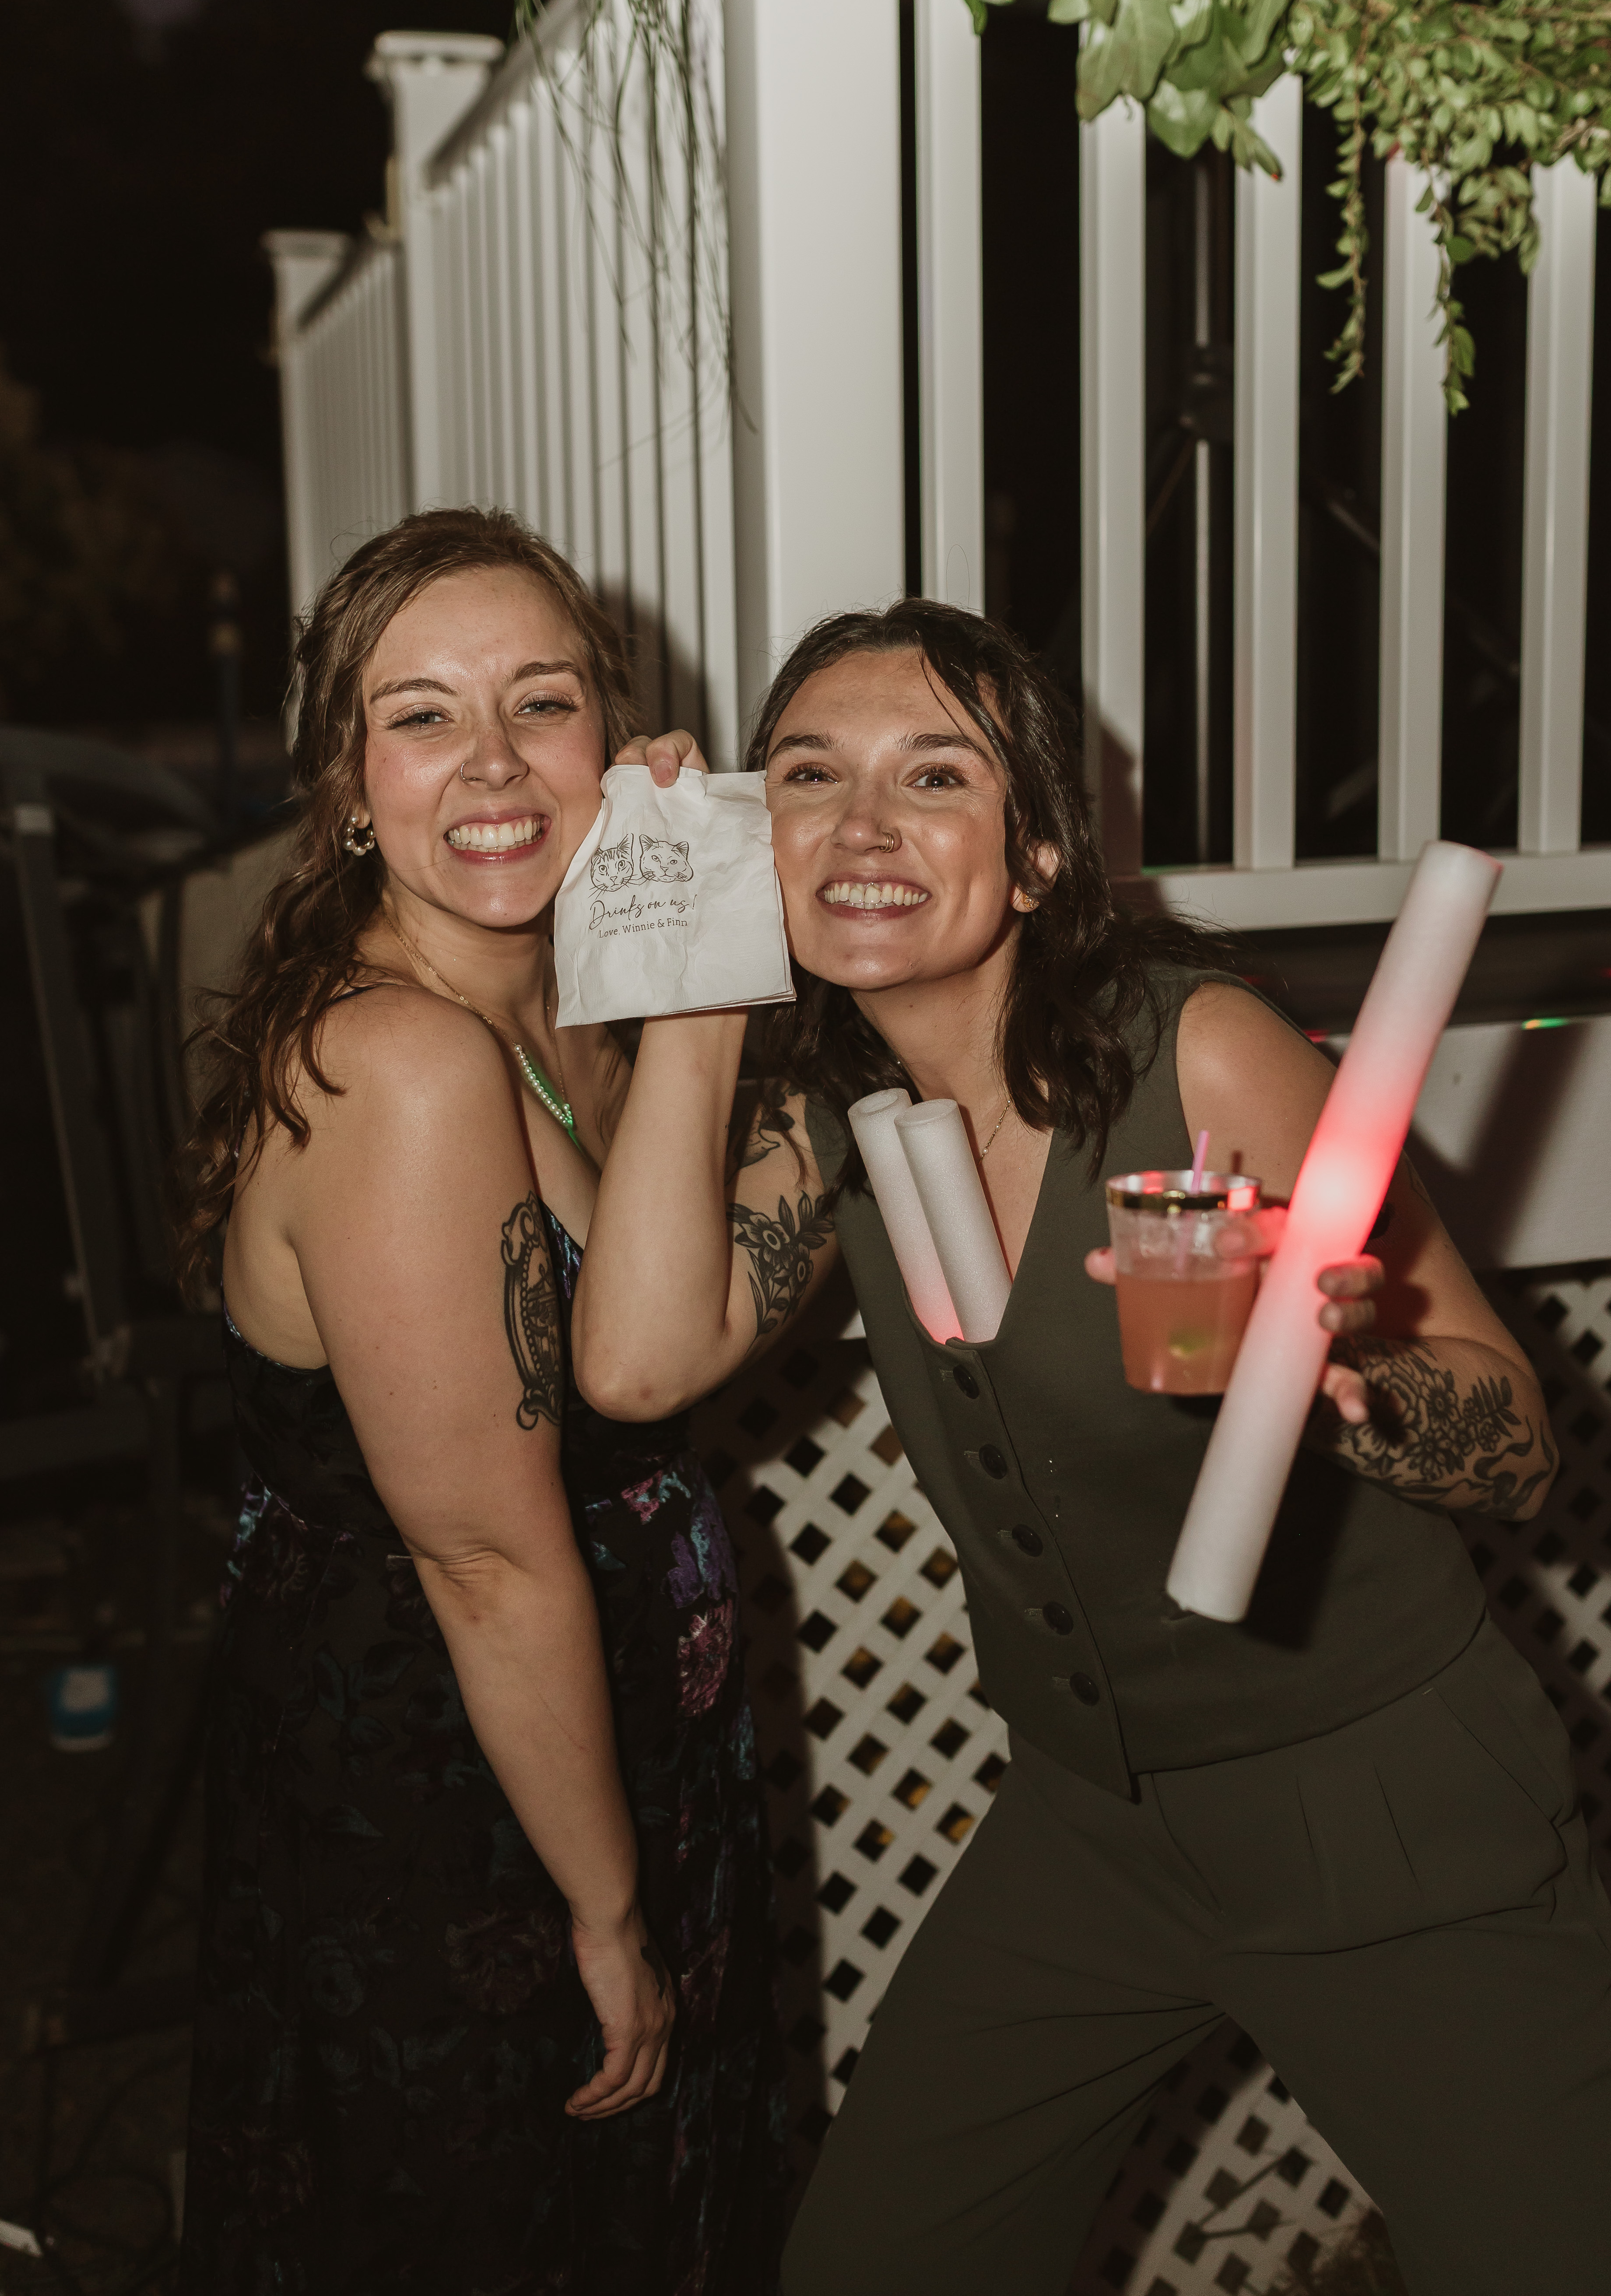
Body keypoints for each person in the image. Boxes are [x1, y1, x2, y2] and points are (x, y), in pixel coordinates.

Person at [573, 598, 1611, 2296]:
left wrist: (1343, 1374)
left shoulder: (1197, 1052)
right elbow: (632, 1363)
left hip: (1381, 1819)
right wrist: (697, 968)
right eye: (811, 777)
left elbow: (1518, 1448)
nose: (863, 825)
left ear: (1040, 852)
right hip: (1091, 1824)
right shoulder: (831, 1117)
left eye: (935, 777)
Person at [174, 508, 785, 2293]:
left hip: (606, 1760)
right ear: (349, 785)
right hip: (461, 1820)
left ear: (614, 733)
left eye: (544, 700)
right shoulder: (402, 1063)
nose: (497, 762)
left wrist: (689, 900)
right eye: (424, 715)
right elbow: (485, 1561)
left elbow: (674, 1301)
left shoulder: (570, 1005)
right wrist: (603, 1906)